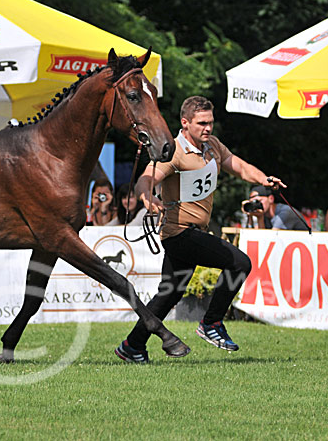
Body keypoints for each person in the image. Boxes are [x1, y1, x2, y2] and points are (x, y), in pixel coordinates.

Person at [115, 96, 285, 364]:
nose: (208, 128)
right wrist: (148, 197)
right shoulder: (174, 151)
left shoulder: (212, 146)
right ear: (185, 123)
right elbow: (146, 178)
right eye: (201, 123)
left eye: (210, 123)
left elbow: (238, 166)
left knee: (169, 294)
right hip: (180, 232)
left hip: (191, 233)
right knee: (239, 263)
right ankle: (212, 322)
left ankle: (132, 346)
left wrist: (264, 179)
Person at [242, 185, 308, 230]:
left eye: (258, 201)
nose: (256, 205)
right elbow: (255, 239)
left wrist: (260, 218)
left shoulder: (285, 213)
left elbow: (271, 239)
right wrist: (249, 216)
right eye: (252, 203)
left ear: (271, 199)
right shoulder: (263, 214)